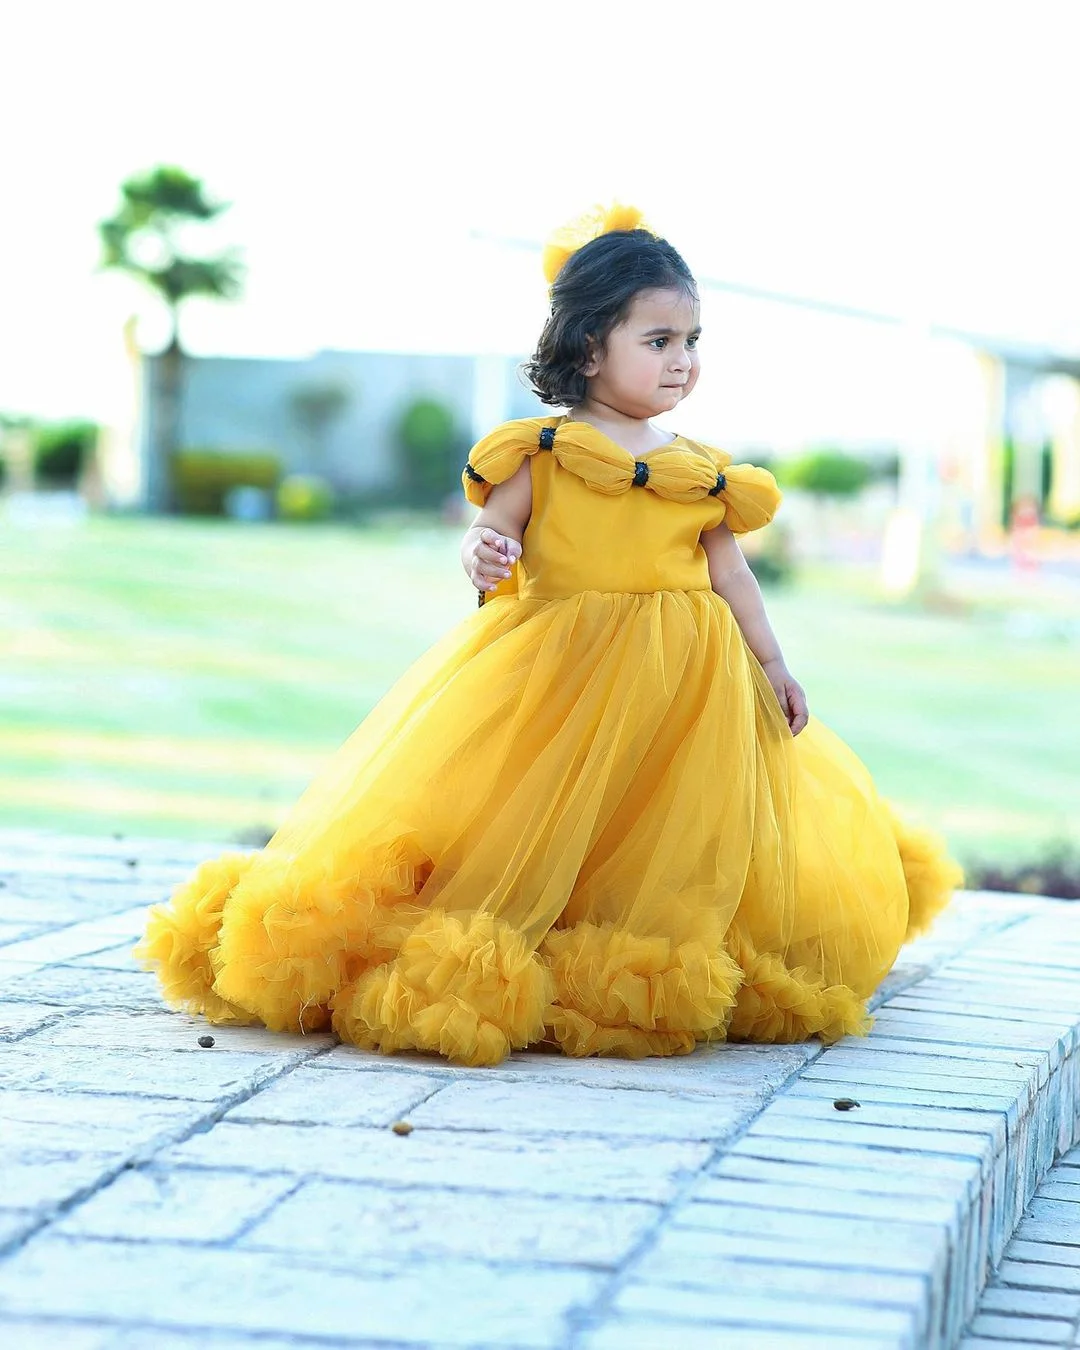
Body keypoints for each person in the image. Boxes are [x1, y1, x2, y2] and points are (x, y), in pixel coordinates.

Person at [135, 203, 963, 1067]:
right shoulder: (542, 453)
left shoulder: (699, 473)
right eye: (658, 340)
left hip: (690, 690)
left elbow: (732, 576)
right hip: (559, 676)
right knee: (540, 818)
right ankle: (524, 934)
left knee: (657, 828)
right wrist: (484, 551)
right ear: (589, 344)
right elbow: (492, 534)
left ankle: (636, 941)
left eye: (692, 339)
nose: (682, 359)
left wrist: (774, 663)